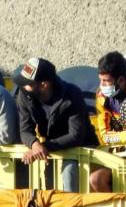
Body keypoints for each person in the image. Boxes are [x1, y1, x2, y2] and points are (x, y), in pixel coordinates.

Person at [15, 57, 97, 193]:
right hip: (50, 153)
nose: (23, 87)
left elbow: (76, 135)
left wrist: (43, 147)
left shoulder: (72, 95)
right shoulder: (25, 95)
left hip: (79, 152)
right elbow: (24, 130)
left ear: (44, 84)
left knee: (69, 175)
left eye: (27, 83)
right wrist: (34, 144)